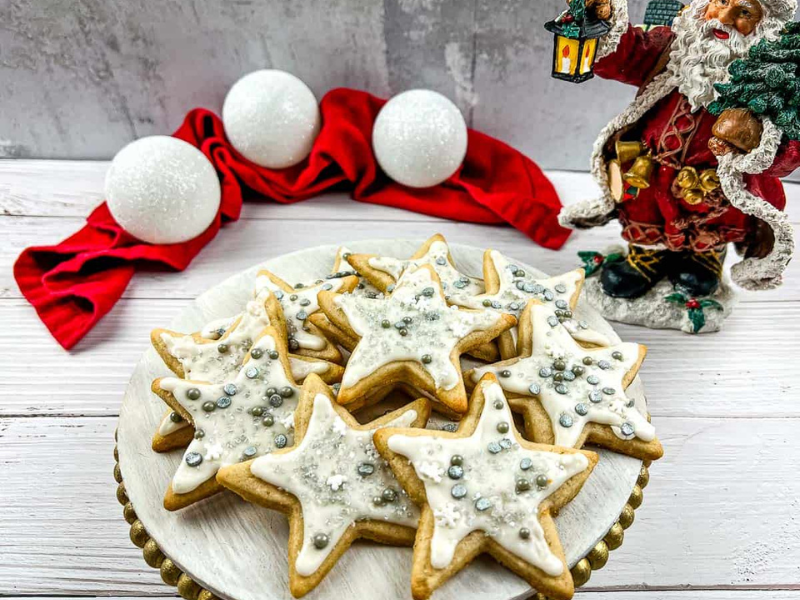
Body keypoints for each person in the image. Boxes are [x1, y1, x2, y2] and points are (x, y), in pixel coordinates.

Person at [559, 0, 799, 298]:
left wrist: (755, 145)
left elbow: (786, 151)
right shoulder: (673, 49)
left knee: (711, 218)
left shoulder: (770, 82)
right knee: (645, 211)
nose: (723, 18)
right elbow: (624, 55)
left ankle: (705, 258)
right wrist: (602, 18)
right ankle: (645, 256)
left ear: (766, 23)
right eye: (721, 2)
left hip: (714, 183)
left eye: (745, 12)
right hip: (648, 168)